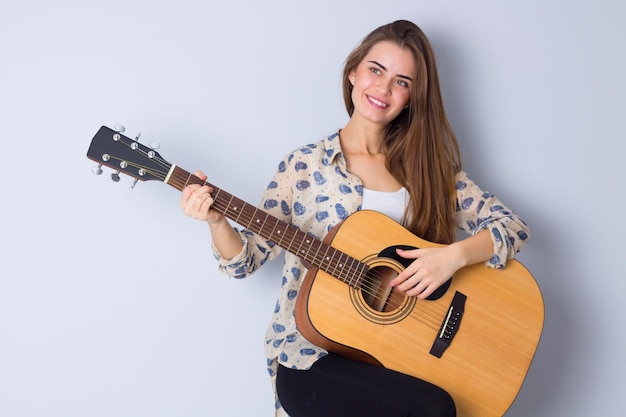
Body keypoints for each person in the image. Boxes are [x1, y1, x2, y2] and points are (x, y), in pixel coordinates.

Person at [180, 19, 530, 417]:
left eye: (402, 81)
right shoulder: (303, 166)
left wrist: (452, 256)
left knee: (439, 404)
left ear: (413, 96)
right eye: (375, 70)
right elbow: (247, 260)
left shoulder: (428, 170)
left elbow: (511, 226)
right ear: (353, 72)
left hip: (393, 355)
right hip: (309, 357)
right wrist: (216, 220)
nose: (382, 89)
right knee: (434, 408)